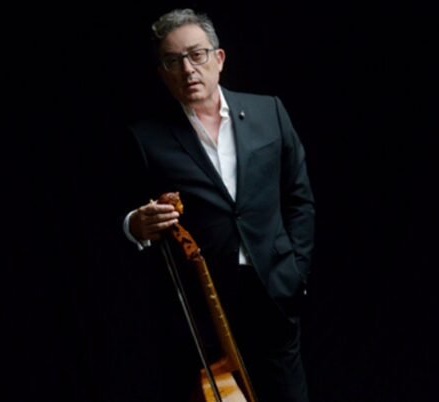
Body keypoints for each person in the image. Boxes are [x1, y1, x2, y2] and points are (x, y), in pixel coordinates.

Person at [117, 8, 315, 402]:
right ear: (163, 73)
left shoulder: (269, 112)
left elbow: (299, 198)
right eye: (173, 61)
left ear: (219, 59)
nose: (188, 69)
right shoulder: (146, 138)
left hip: (272, 289)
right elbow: (121, 213)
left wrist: (296, 272)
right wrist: (134, 224)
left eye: (197, 55)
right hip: (204, 306)